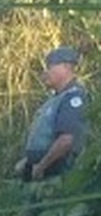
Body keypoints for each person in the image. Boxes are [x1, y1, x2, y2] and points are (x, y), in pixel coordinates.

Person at [15, 45, 89, 182]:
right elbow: (46, 140)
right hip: (41, 173)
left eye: (50, 67)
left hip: (57, 176)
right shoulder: (55, 100)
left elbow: (66, 140)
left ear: (66, 67)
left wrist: (41, 167)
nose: (45, 73)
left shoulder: (73, 98)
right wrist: (27, 162)